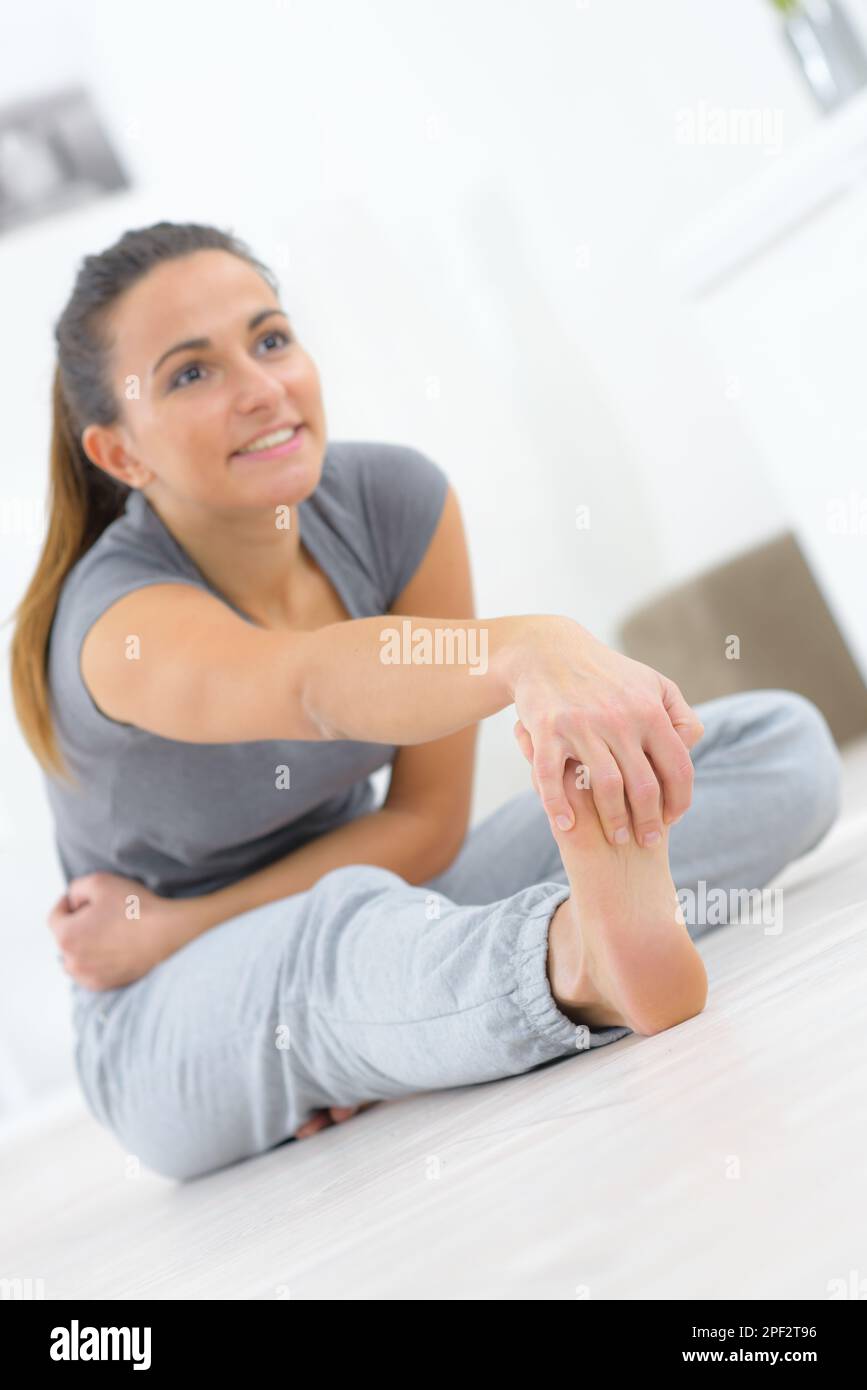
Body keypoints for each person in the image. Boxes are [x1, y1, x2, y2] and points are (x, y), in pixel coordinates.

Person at [8, 221, 842, 1182]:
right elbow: (311, 684)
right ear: (119, 453)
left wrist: (588, 720)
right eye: (191, 374)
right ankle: (572, 963)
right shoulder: (120, 625)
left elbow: (427, 823)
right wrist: (524, 647)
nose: (261, 388)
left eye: (270, 338)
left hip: (384, 889)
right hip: (165, 1007)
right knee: (342, 936)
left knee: (769, 740)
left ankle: (411, 1009)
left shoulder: (395, 500)